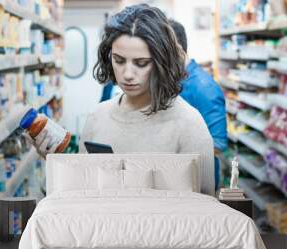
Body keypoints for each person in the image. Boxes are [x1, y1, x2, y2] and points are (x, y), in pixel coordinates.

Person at [30, 4, 215, 196]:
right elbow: (84, 190)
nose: (127, 74)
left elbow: (204, 209)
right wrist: (58, 163)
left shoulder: (189, 125)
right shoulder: (97, 117)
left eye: (141, 63)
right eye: (119, 60)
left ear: (162, 62)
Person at [169, 20, 227, 190]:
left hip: (198, 181)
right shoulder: (174, 79)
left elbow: (218, 145)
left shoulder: (204, 88)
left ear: (177, 49)